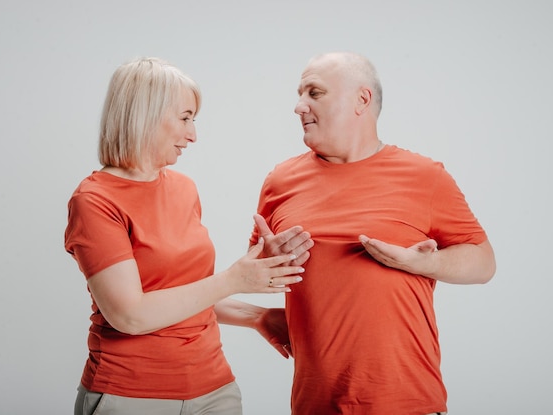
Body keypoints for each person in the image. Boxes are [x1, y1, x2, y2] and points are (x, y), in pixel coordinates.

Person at [249, 52, 496, 415]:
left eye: (314, 93)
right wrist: (268, 265)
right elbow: (252, 271)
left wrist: (424, 263)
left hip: (407, 403)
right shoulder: (280, 181)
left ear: (361, 100)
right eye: (299, 94)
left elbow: (483, 262)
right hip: (313, 405)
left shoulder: (425, 176)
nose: (299, 107)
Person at [64, 57, 312, 415]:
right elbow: (130, 314)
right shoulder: (95, 201)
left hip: (214, 390)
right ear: (144, 115)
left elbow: (180, 295)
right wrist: (234, 279)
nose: (193, 134)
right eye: (184, 118)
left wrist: (256, 315)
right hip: (132, 396)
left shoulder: (183, 188)